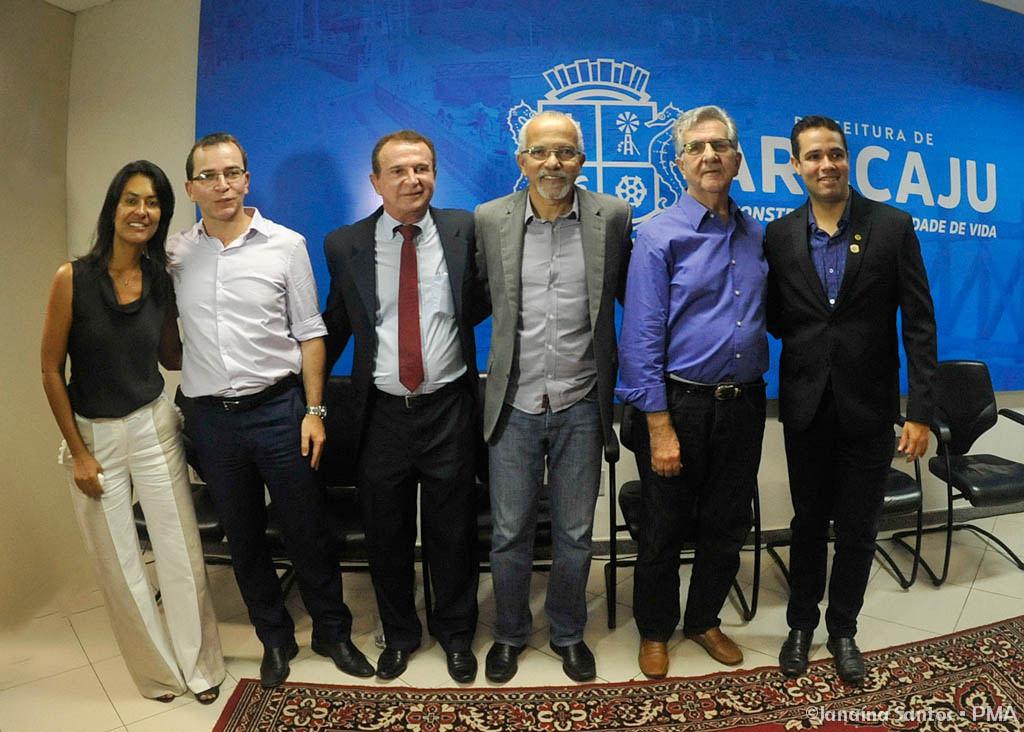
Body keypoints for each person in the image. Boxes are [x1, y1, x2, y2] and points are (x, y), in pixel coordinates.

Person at [167, 132, 373, 688]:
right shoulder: (176, 255)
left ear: (247, 179)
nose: (222, 185)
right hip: (211, 420)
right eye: (208, 176)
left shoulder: (286, 244)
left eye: (231, 173)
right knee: (243, 536)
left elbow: (310, 333)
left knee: (309, 530)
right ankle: (275, 638)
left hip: (280, 411)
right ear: (191, 188)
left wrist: (314, 411)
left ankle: (333, 633)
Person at [41, 161, 225, 704]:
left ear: (162, 214)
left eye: (153, 203)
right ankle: (158, 675)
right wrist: (79, 454)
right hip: (93, 439)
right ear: (113, 207)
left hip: (153, 428)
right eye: (131, 199)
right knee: (120, 564)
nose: (142, 211)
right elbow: (50, 370)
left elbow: (170, 356)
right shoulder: (72, 278)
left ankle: (200, 669)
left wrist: (225, 340)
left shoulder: (161, 279)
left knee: (181, 554)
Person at [766, 115, 937, 685]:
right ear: (796, 165)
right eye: (814, 156)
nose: (827, 165)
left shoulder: (892, 226)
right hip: (806, 407)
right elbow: (776, 317)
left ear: (848, 158)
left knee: (860, 528)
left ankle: (843, 630)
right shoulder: (779, 236)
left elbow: (919, 325)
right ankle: (799, 626)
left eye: (835, 154)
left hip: (870, 408)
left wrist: (920, 412)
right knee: (808, 523)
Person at [475, 110, 632, 683]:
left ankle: (568, 632)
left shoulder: (613, 216)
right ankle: (510, 633)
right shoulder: (490, 218)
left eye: (565, 152)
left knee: (574, 534)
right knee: (509, 533)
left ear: (581, 161)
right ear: (522, 161)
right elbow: (475, 297)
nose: (553, 163)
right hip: (513, 403)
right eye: (540, 152)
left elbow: (630, 300)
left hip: (582, 402)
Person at [322, 130, 483, 683]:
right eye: (399, 170)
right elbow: (337, 324)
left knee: (453, 532)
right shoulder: (345, 244)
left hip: (448, 408)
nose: (413, 179)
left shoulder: (464, 230)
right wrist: (306, 398)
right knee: (386, 534)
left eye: (422, 168)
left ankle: (456, 635)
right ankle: (399, 635)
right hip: (381, 415)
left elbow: (484, 301)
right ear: (375, 181)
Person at [617, 105, 768, 679]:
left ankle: (704, 620)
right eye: (696, 147)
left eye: (720, 146)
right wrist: (658, 426)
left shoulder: (756, 235)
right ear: (681, 162)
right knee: (663, 527)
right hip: (679, 405)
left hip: (744, 402)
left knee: (727, 524)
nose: (709, 156)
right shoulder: (658, 234)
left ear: (737, 159)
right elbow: (641, 336)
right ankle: (656, 630)